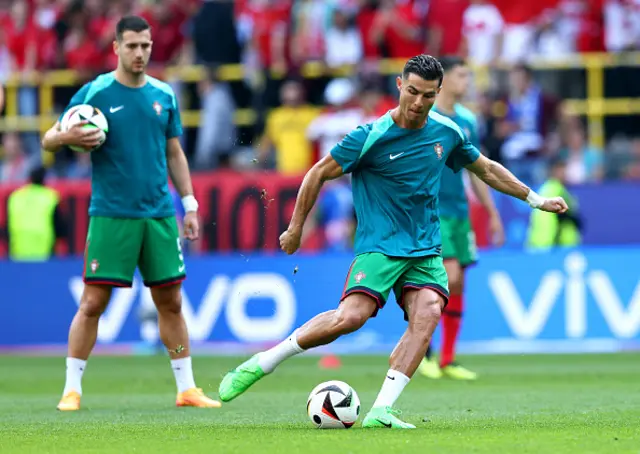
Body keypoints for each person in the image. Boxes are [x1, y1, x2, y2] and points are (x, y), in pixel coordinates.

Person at [218, 54, 568, 429]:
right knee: (349, 318)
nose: (419, 103)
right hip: (381, 246)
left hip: (425, 248)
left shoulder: (446, 132)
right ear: (400, 86)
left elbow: (485, 168)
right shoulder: (370, 137)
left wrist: (535, 199)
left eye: (429, 96)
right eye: (413, 92)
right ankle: (264, 361)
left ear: (438, 93)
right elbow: (317, 173)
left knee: (429, 311)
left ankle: (381, 410)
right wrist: (295, 228)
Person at [41, 16, 221, 411]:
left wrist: (189, 204)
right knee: (93, 302)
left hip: (158, 214)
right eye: (132, 46)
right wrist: (66, 136)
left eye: (146, 45)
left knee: (170, 301)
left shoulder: (164, 95)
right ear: (116, 48)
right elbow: (49, 139)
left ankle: (187, 389)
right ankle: (71, 390)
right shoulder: (96, 92)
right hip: (112, 213)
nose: (140, 53)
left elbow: (174, 152)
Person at [417, 56, 504, 381]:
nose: (467, 82)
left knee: (459, 282)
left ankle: (447, 359)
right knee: (446, 277)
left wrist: (492, 213)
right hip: (432, 213)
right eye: (462, 76)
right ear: (445, 80)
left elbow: (478, 170)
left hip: (459, 212)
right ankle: (423, 351)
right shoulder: (426, 117)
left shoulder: (467, 120)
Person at [7, 166, 67, 261]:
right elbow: (60, 229)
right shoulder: (51, 197)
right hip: (44, 254)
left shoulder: (15, 197)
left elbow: (7, 227)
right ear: (44, 179)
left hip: (17, 254)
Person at [526, 157, 582, 249]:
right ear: (553, 171)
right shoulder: (556, 188)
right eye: (561, 171)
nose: (564, 174)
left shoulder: (546, 188)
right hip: (548, 242)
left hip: (538, 241)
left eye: (564, 171)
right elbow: (564, 213)